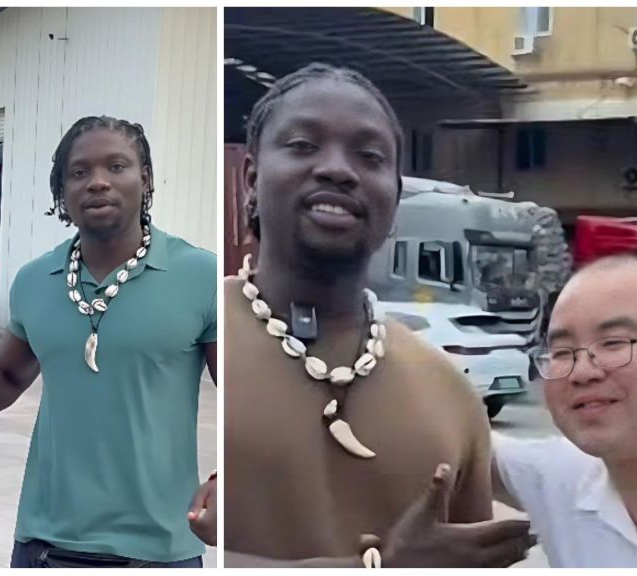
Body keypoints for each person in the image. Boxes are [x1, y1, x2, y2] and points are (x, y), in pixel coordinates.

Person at [224, 63, 534, 568]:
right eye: (303, 145)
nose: (337, 169)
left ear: (394, 201)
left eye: (369, 157)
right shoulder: (188, 341)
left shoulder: (451, 394)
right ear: (251, 178)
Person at [0, 116, 217, 568]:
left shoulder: (199, 275)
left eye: (117, 166)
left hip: (158, 549)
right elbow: (8, 372)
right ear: (62, 190)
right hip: (46, 545)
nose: (98, 183)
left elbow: (245, 399)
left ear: (145, 178)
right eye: (79, 172)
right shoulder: (36, 280)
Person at [493, 254, 637, 567]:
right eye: (562, 352)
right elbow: (455, 437)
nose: (582, 372)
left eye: (614, 343)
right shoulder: (561, 478)